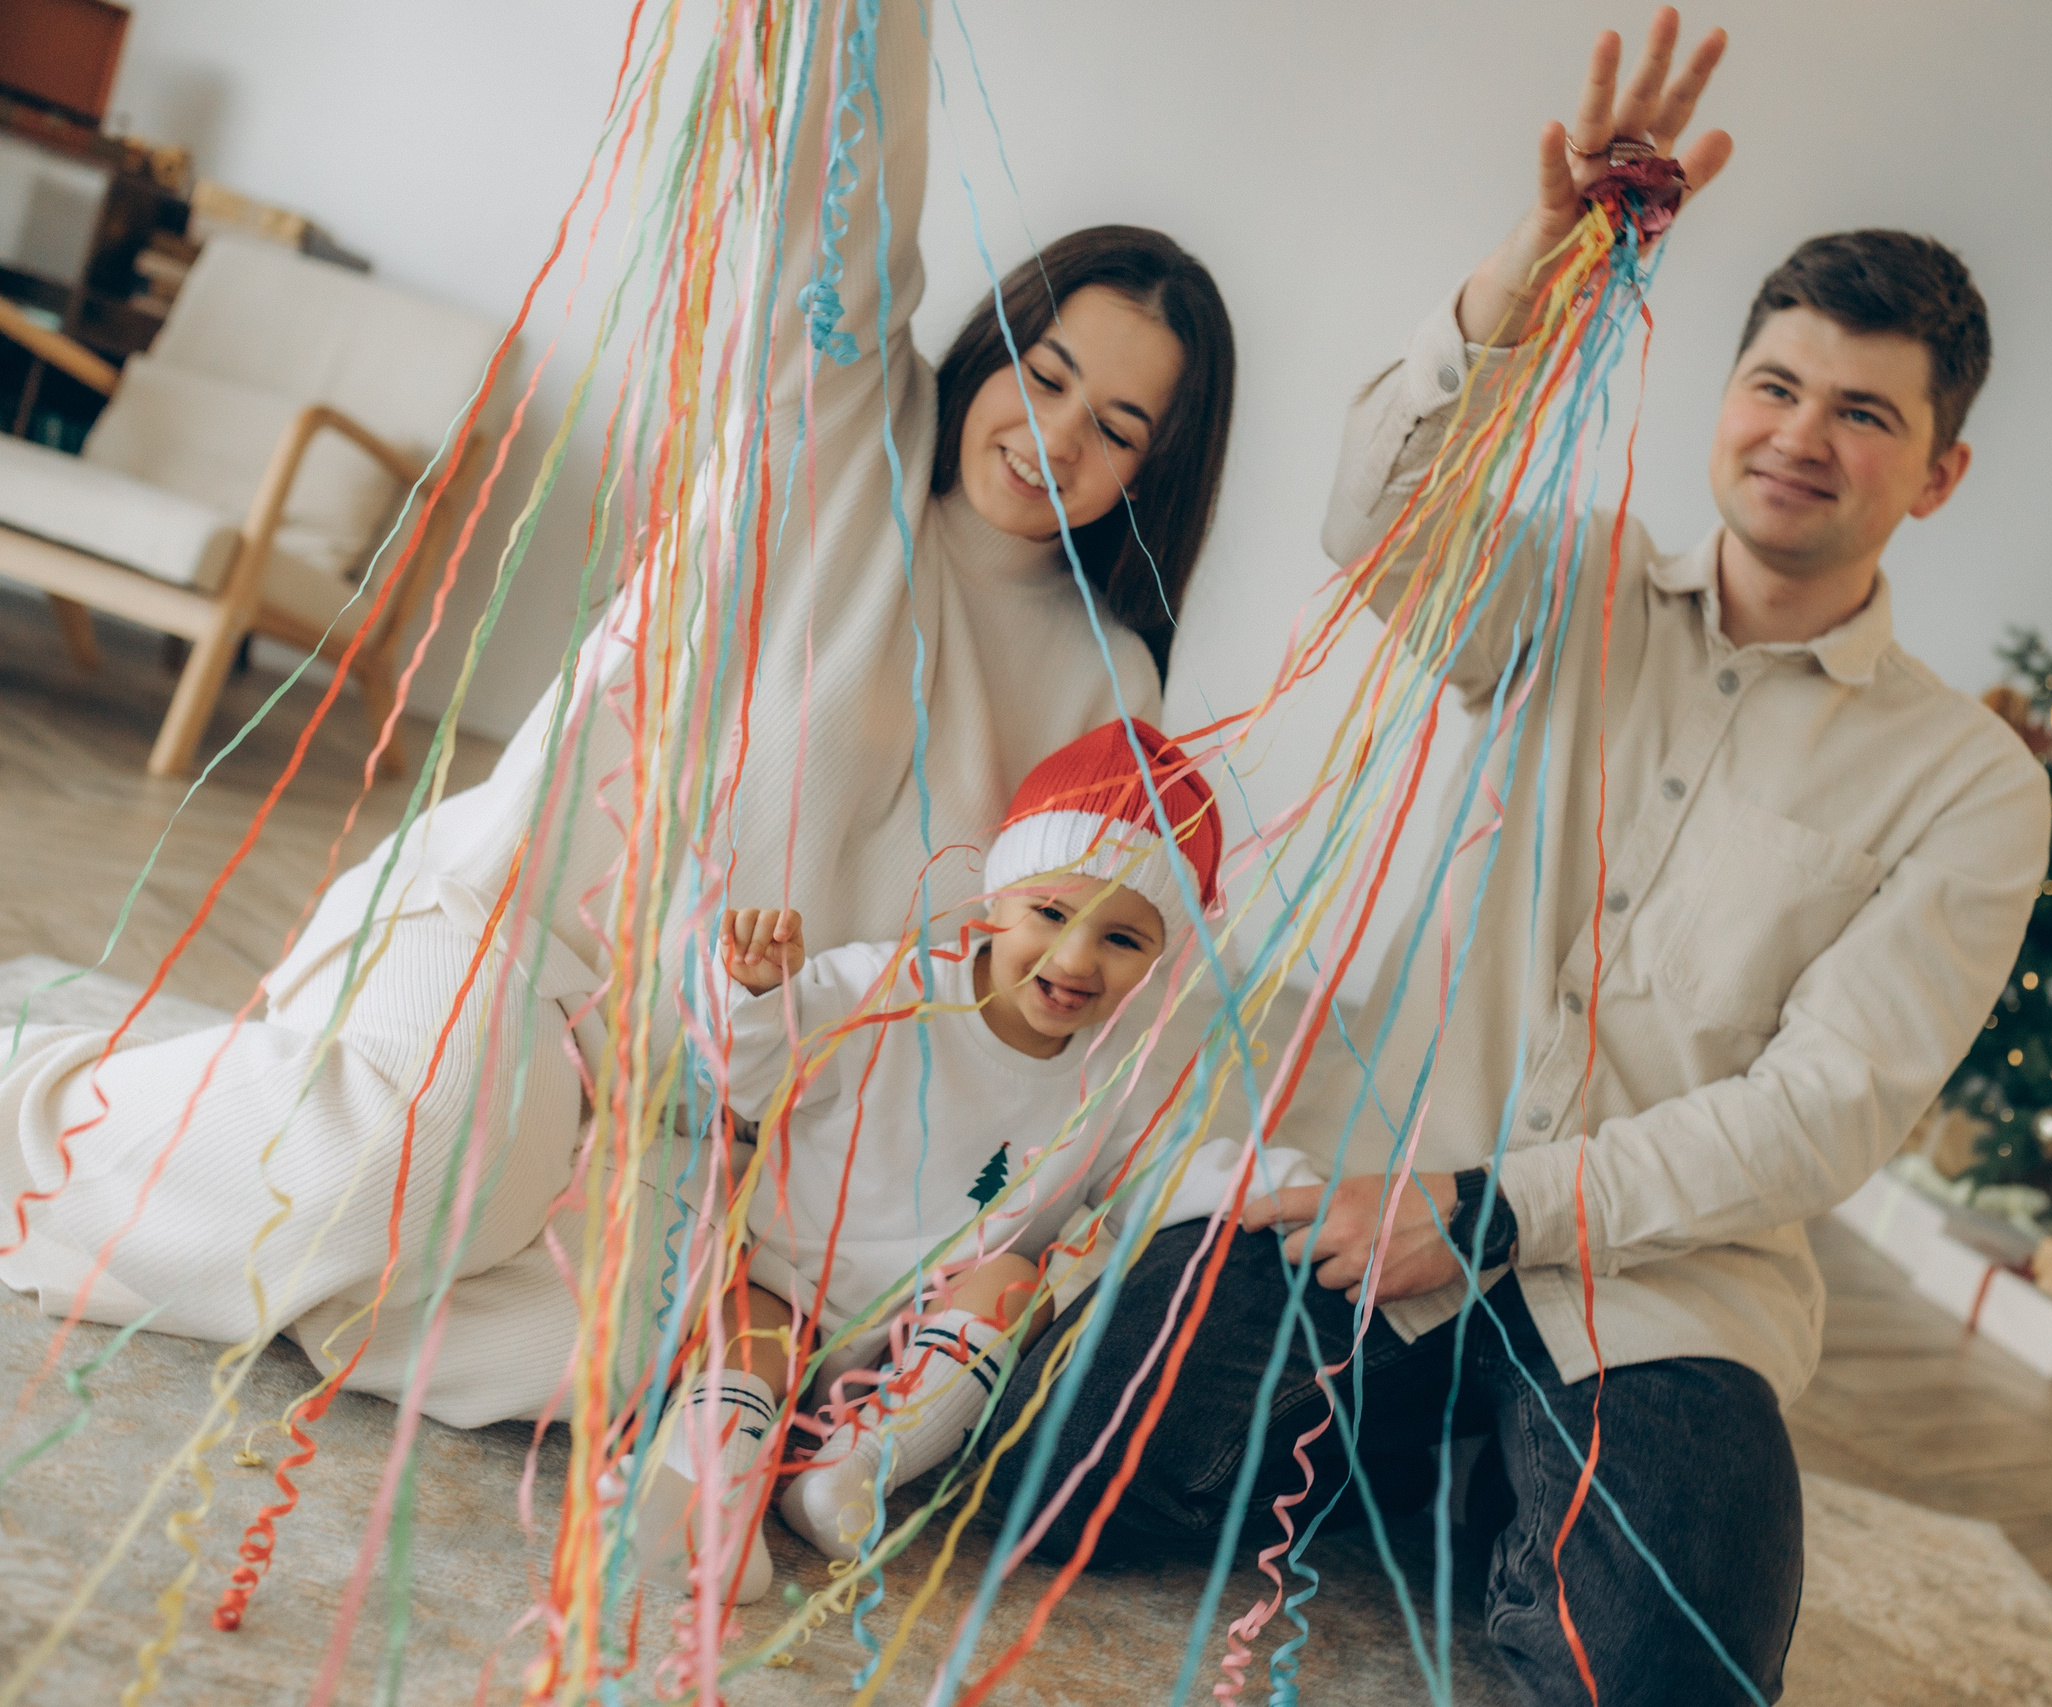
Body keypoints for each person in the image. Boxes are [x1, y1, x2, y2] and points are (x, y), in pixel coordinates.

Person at [978, 12, 2050, 1705]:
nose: (1800, 433)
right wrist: (1536, 258)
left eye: (1863, 412)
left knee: (1653, 1680)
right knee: (1046, 1484)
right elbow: (1374, 512)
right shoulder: (1576, 582)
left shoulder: (1974, 784)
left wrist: (1493, 1215)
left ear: (1941, 468)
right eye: (1774, 384)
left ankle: (1493, 1470)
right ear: (1723, 401)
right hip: (1358, 1211)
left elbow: (1821, 1113)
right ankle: (1426, 1463)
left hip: (1652, 1292)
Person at [0, 0, 1236, 1430]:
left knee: (600, 1360)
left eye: (1122, 426)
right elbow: (836, 184)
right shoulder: (831, 424)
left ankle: (270, 1148)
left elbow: (1028, 991)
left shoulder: (1109, 690)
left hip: (705, 1104)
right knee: (415, 1152)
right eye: (1049, 370)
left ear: (1157, 468)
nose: (1058, 431)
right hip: (518, 951)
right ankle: (46, 1083)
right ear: (998, 343)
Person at [608, 720, 1312, 1602]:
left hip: (935, 1326)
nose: (1074, 958)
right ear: (997, 904)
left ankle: (854, 1471)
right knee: (750, 1331)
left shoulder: (1123, 1077)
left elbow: (1172, 1174)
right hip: (796, 1275)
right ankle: (711, 1500)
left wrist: (1286, 1186)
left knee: (1018, 1282)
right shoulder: (891, 986)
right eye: (1051, 915)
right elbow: (754, 1076)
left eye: (1121, 940)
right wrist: (758, 992)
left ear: (1158, 961)